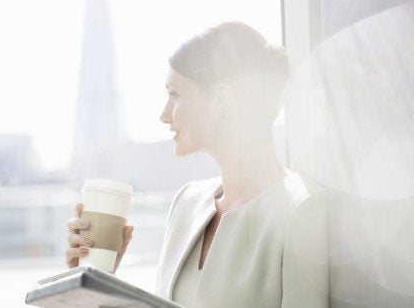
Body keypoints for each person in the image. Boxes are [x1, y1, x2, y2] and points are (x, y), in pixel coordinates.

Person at [66, 21, 328, 307]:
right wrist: (99, 280)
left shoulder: (301, 213)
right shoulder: (187, 202)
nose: (164, 115)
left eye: (174, 94)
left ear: (221, 98)